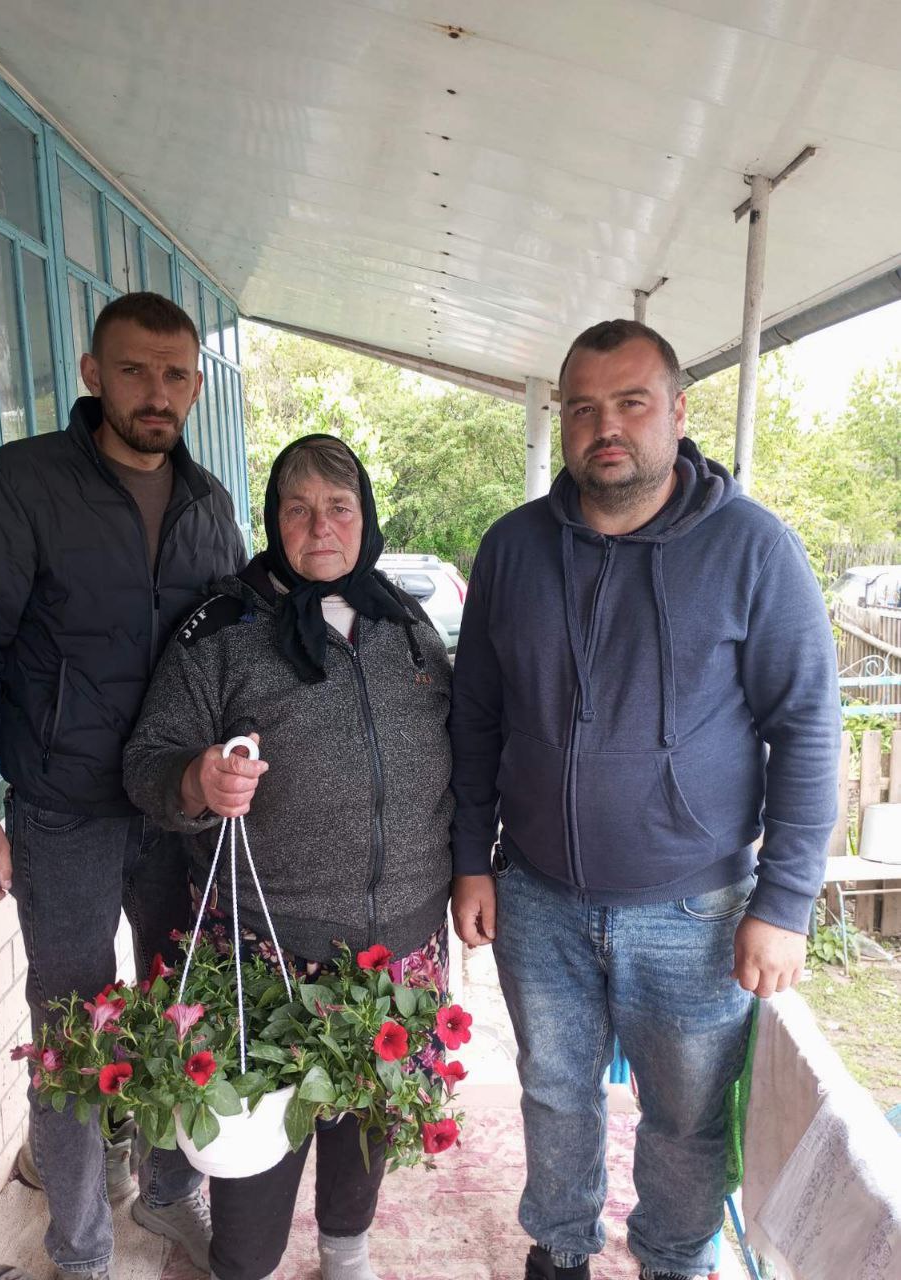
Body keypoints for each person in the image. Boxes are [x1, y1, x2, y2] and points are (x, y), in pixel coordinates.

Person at [449, 319, 842, 1280]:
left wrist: (785, 902)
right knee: (554, 1092)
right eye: (584, 408)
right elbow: (476, 719)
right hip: (538, 895)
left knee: (686, 1115)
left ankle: (673, 1260)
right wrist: (470, 859)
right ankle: (561, 1248)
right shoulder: (512, 548)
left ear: (677, 411)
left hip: (697, 907)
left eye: (631, 403)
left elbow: (807, 727)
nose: (607, 427)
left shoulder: (754, 549)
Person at [0, 292, 247, 1280]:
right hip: (60, 810)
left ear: (194, 386)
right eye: (133, 370)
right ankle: (79, 1251)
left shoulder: (209, 506)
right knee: (73, 1031)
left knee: (179, 1012)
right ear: (91, 373)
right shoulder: (16, 486)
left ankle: (168, 1190)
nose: (156, 392)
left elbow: (234, 654)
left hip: (176, 812)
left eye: (174, 374)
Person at [122, 433, 454, 1280]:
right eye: (297, 509)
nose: (320, 526)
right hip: (267, 946)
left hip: (400, 939)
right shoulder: (224, 629)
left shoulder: (405, 624)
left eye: (339, 507)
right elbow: (147, 761)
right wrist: (197, 779)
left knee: (365, 1122)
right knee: (254, 1150)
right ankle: (246, 1266)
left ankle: (346, 1250)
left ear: (365, 516)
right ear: (272, 520)